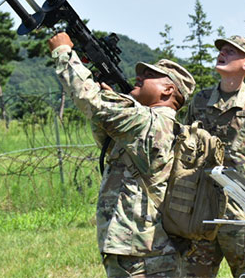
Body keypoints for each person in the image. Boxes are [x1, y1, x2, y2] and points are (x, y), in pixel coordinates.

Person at [47, 32, 196, 278]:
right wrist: (115, 103)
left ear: (168, 90)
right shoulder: (151, 125)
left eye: (150, 76)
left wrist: (63, 53)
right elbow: (104, 136)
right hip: (139, 250)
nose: (139, 77)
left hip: (143, 255)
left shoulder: (149, 121)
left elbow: (91, 102)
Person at [181, 35, 245, 277]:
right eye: (222, 50)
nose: (223, 54)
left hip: (242, 206)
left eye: (232, 52)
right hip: (202, 205)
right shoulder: (200, 100)